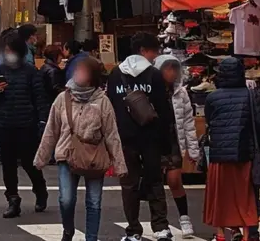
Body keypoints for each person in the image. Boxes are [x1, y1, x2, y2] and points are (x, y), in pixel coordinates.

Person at [35, 57, 128, 241]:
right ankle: (68, 229)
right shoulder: (63, 98)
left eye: (83, 71)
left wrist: (120, 164)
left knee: (94, 202)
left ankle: (91, 238)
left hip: (94, 155)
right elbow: (51, 130)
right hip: (67, 153)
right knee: (66, 199)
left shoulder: (103, 101)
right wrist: (41, 157)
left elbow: (112, 135)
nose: (78, 74)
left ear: (92, 77)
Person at [106, 32, 176, 241]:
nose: (155, 56)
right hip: (150, 137)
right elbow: (163, 110)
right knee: (155, 181)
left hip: (124, 138)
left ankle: (133, 229)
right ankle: (161, 227)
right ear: (144, 50)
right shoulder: (154, 75)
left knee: (129, 184)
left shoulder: (116, 74)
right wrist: (166, 141)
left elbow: (110, 107)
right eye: (154, 51)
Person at [202, 56, 260, 241]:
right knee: (244, 198)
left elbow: (210, 121)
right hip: (244, 154)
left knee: (221, 197)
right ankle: (245, 235)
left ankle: (220, 234)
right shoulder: (251, 95)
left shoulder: (212, 97)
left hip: (219, 156)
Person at [0, 37, 49, 218]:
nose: (7, 54)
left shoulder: (31, 72)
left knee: (29, 162)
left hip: (26, 124)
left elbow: (40, 97)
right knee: (8, 164)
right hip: (5, 124)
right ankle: (13, 199)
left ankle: (40, 190)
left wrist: (42, 121)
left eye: (10, 50)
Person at [156, 55, 203, 238]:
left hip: (174, 141)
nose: (172, 72)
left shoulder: (181, 92)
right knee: (156, 185)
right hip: (156, 141)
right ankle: (161, 224)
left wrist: (193, 150)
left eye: (174, 68)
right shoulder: (152, 90)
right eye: (167, 68)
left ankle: (184, 218)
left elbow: (188, 123)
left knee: (175, 181)